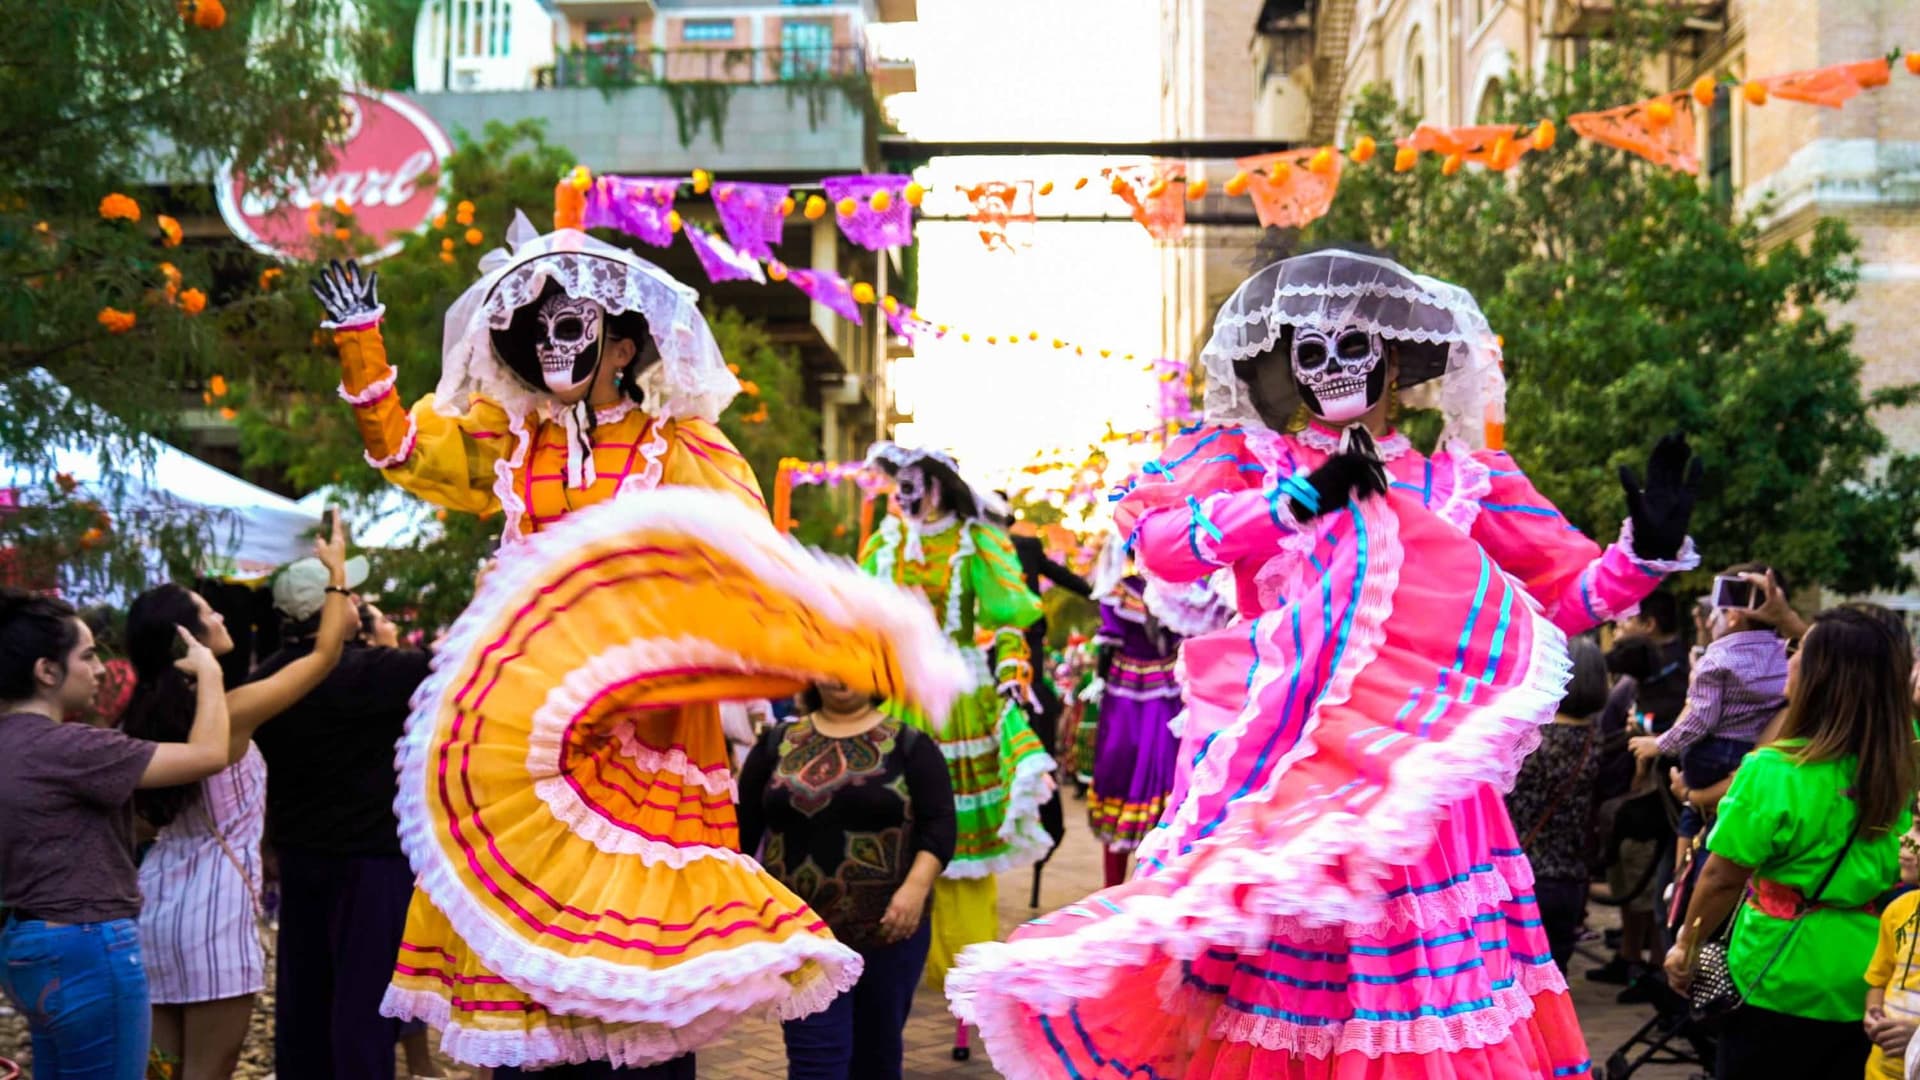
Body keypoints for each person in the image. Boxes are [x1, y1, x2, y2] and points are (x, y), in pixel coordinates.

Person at [946, 247, 1701, 1077]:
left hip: (1423, 790)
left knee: (1420, 1004)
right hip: (1291, 771)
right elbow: (1163, 546)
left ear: (1389, 358)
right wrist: (1294, 501)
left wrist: (1649, 551)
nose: (1335, 368)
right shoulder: (1248, 460)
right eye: (1311, 352)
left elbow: (1560, 596)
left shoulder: (1462, 478)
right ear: (1287, 370)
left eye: (1353, 348)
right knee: (1280, 993)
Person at [315, 217, 968, 1077]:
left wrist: (838, 630)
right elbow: (402, 449)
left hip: (647, 727)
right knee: (532, 972)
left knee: (638, 985)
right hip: (528, 729)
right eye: (533, 330)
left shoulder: (681, 447)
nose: (550, 347)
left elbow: (749, 558)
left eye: (572, 326)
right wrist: (359, 345)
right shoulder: (511, 440)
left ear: (621, 346)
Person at [123, 521, 356, 1080]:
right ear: (187, 637)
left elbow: (137, 826)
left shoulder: (141, 717)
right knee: (210, 1069)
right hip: (215, 906)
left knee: (161, 1067)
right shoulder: (231, 710)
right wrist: (336, 572)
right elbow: (324, 655)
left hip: (153, 901)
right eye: (209, 613)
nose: (222, 616)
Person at [860, 442, 1052, 1061]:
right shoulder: (887, 542)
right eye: (900, 485)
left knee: (959, 846)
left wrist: (1011, 666)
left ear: (940, 484)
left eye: (915, 484)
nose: (905, 495)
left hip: (959, 700)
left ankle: (967, 989)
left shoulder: (976, 542)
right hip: (896, 696)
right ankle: (890, 968)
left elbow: (1009, 615)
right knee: (891, 840)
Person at [1668, 605, 1917, 1080]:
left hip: (1776, 974)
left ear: (1822, 674)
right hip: (1866, 978)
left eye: (1800, 647)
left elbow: (1721, 878)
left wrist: (1688, 944)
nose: (1789, 653)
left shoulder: (1774, 771)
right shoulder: (1903, 762)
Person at [0, 589, 232, 1079]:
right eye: (86, 656)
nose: (100, 669)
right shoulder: (71, 747)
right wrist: (209, 672)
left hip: (26, 945)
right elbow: (209, 753)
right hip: (88, 947)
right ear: (47, 671)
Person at [250, 569, 435, 1080]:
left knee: (304, 996)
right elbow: (457, 662)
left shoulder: (267, 676)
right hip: (372, 862)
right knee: (364, 1005)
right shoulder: (375, 671)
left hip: (300, 854)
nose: (357, 601)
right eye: (349, 594)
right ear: (332, 606)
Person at [736, 680, 956, 1080]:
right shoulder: (778, 742)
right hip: (800, 936)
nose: (840, 678)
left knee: (877, 1057)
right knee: (815, 1061)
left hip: (889, 930)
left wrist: (915, 888)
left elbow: (939, 826)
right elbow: (741, 832)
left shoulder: (909, 744)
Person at [1631, 562, 1791, 841]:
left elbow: (1700, 719)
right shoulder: (1786, 654)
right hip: (1756, 754)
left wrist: (1658, 744)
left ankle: (1680, 878)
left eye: (1718, 611)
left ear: (1732, 617)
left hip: (1714, 754)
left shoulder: (1716, 660)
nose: (1707, 621)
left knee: (1692, 817)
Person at [1505, 638, 1609, 972]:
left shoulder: (1527, 742)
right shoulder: (1601, 744)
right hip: (1571, 879)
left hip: (1520, 874)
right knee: (1553, 976)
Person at [1085, 567, 1187, 889]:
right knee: (1158, 772)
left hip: (1128, 695)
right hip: (1163, 691)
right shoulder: (1181, 590)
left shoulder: (1123, 590)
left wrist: (1100, 679)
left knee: (1123, 769)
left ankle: (1119, 886)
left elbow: (1108, 644)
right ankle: (1145, 885)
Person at [1864, 817, 1920, 1080]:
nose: (1904, 838)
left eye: (1919, 828)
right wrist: (1873, 1013)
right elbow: (1879, 981)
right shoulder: (1899, 910)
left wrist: (1916, 1041)